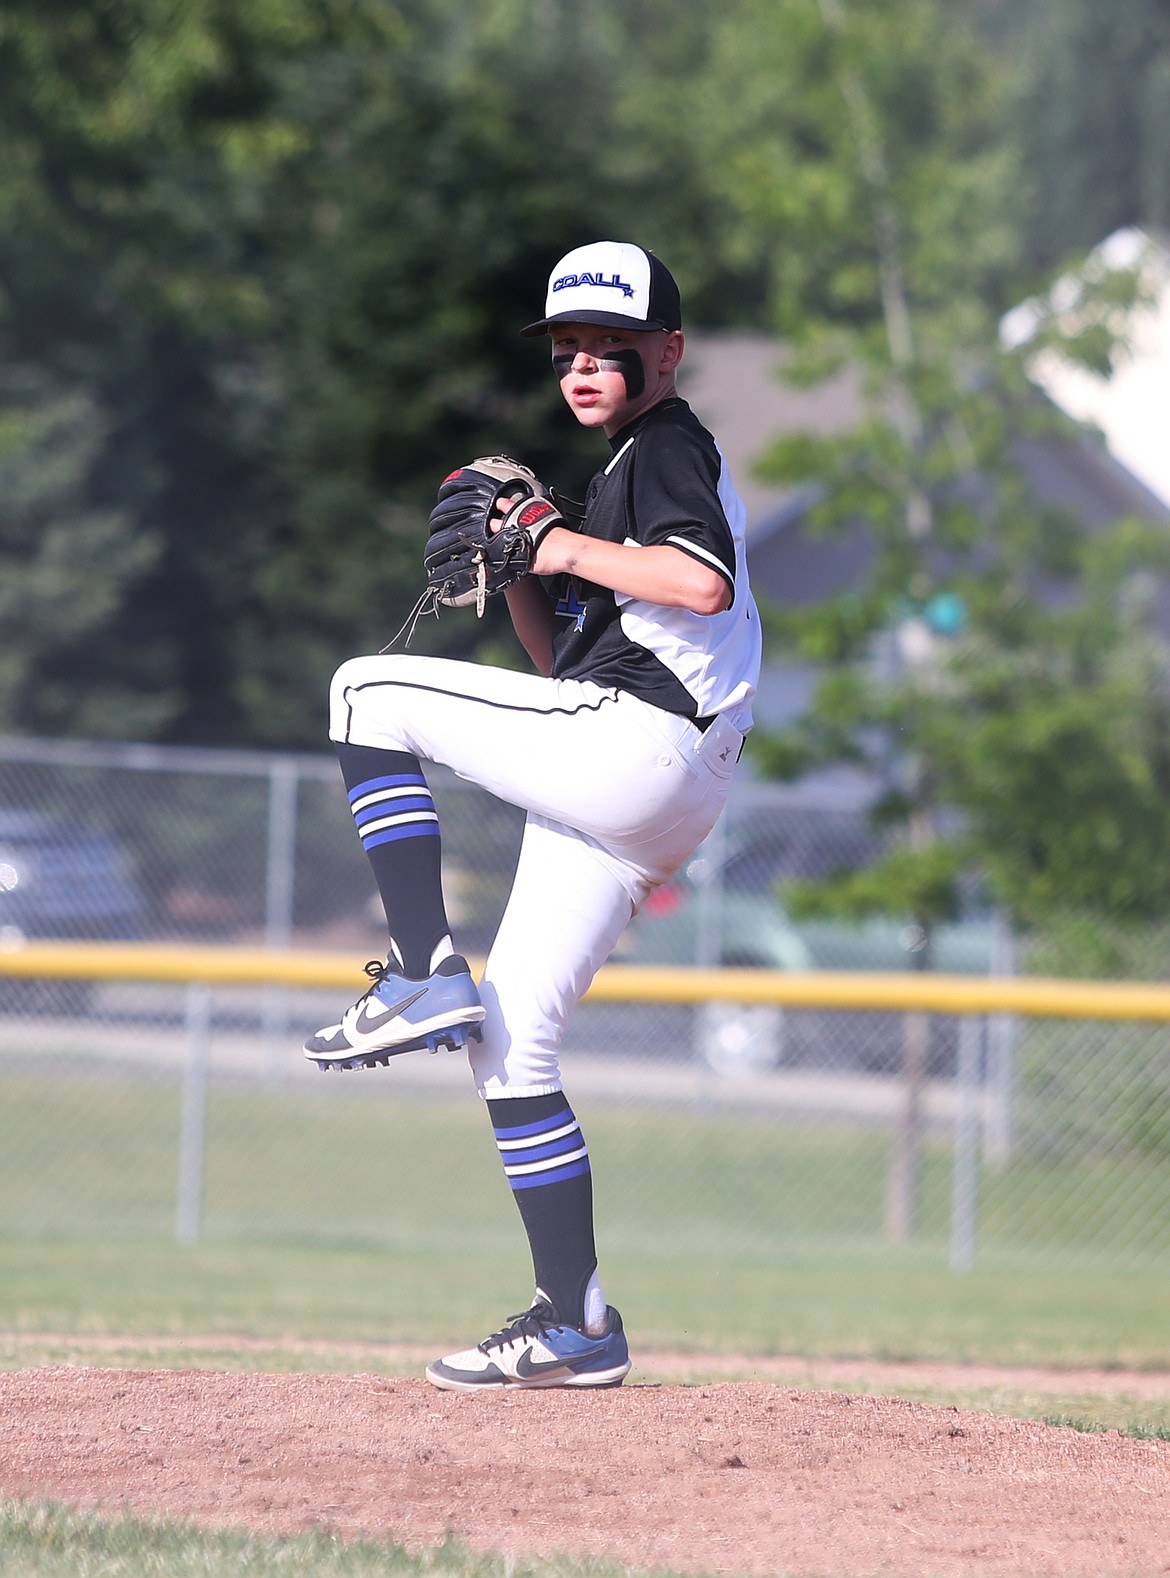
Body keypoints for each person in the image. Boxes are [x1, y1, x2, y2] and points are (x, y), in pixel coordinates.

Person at [304, 240, 761, 1390]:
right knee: (511, 1045)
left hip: (642, 746)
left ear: (669, 351)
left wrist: (550, 538)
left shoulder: (665, 447)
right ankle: (578, 1320)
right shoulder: (620, 481)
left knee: (365, 689)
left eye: (613, 346)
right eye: (567, 350)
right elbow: (563, 660)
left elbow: (698, 581)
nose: (587, 366)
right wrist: (518, 566)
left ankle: (418, 965)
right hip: (654, 788)